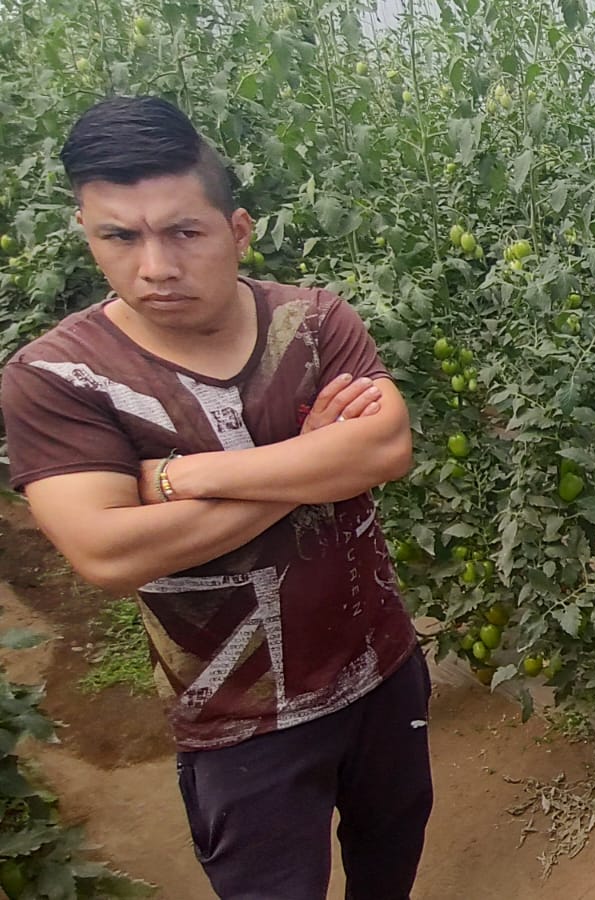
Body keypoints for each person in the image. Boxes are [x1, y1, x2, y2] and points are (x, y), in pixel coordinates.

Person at [0, 96, 431, 897]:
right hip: (238, 720)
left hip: (384, 671)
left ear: (237, 231)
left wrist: (178, 476)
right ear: (87, 237)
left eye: (183, 232)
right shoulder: (56, 379)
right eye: (119, 237)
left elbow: (384, 447)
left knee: (390, 863)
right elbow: (107, 551)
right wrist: (313, 464)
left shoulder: (313, 320)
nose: (154, 266)